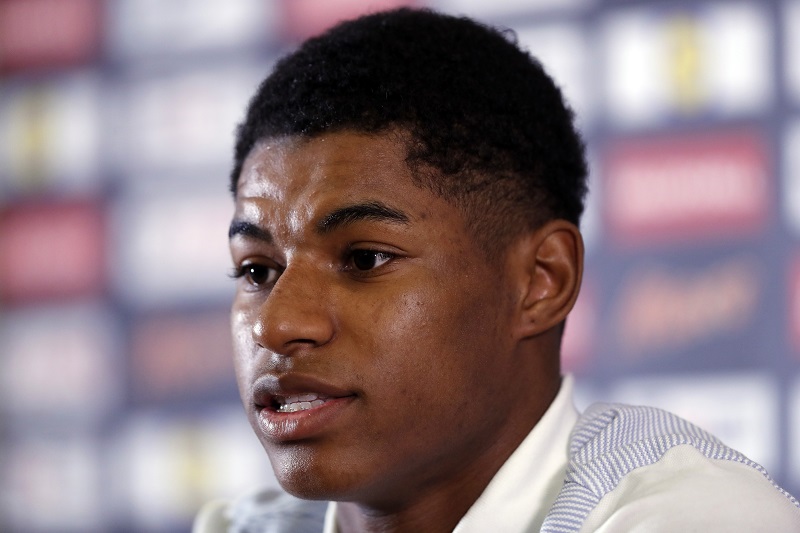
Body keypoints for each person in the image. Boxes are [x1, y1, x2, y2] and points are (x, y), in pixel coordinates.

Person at [195, 8, 800, 533]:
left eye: (365, 259)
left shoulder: (692, 520)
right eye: (257, 270)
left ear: (542, 282)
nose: (275, 326)